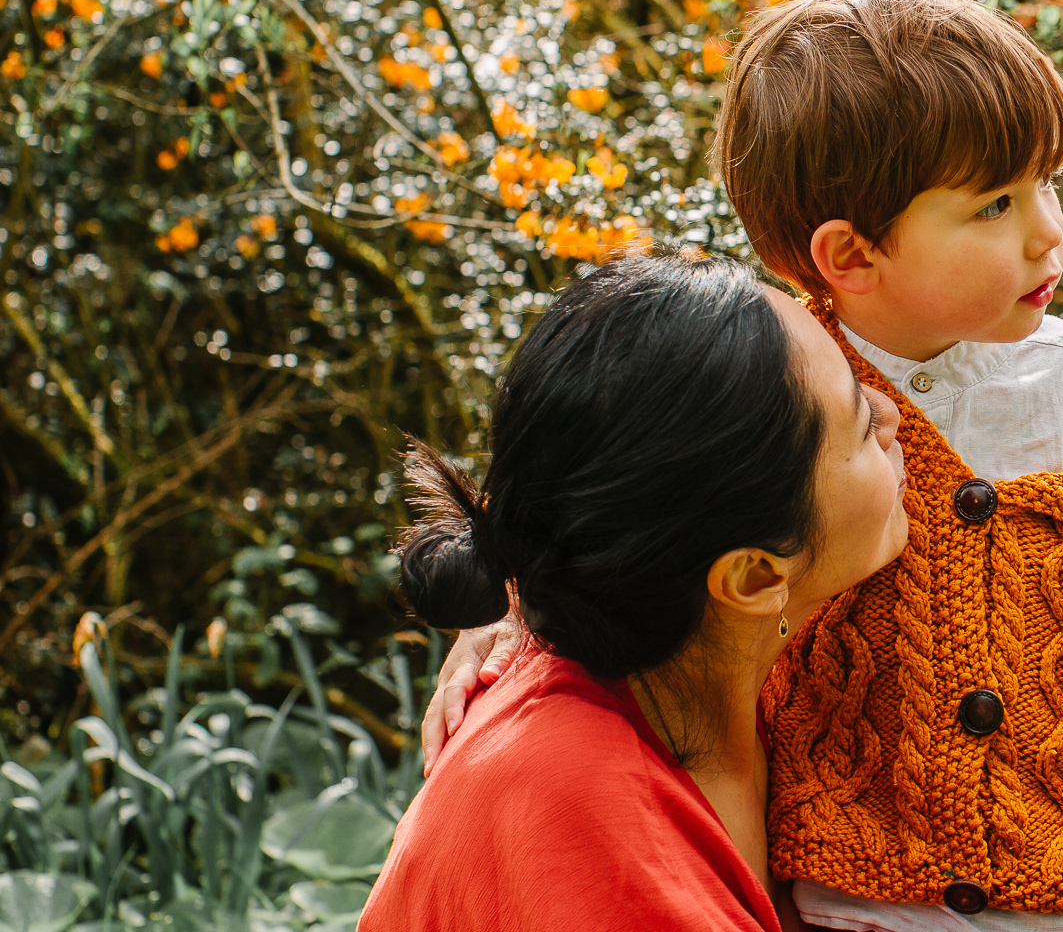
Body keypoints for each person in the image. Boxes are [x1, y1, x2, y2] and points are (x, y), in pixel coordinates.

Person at [426, 0, 1063, 932]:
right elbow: (650, 505)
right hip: (870, 905)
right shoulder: (778, 394)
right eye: (996, 205)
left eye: (1046, 183)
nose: (1051, 234)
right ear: (851, 255)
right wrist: (514, 606)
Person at [359, 249, 909, 931]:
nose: (894, 417)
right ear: (754, 576)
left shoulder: (731, 649)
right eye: (861, 426)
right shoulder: (585, 827)